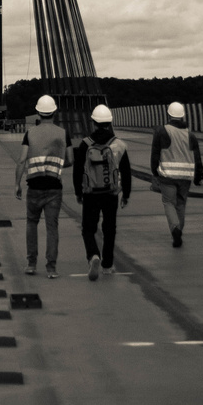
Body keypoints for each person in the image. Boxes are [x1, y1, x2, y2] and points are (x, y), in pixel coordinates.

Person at [14, 94, 71, 277]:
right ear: (54, 112)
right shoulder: (63, 133)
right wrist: (58, 164)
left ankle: (31, 264)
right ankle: (51, 268)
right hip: (54, 187)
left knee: (31, 223)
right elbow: (70, 159)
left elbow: (22, 160)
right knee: (52, 227)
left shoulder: (30, 133)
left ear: (38, 112)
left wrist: (17, 184)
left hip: (34, 187)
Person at [73, 104, 132, 279]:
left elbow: (78, 170)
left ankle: (93, 255)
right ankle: (107, 264)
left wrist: (78, 192)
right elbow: (126, 172)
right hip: (111, 193)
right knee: (109, 228)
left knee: (88, 228)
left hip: (91, 193)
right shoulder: (119, 145)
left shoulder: (85, 144)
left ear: (93, 122)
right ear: (109, 122)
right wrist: (126, 194)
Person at [150, 102, 203, 247]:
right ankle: (179, 230)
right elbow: (197, 157)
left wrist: (154, 172)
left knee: (168, 202)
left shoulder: (161, 131)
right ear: (182, 116)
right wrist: (199, 175)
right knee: (181, 204)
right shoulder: (190, 134)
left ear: (168, 115)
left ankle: (175, 228)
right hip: (186, 176)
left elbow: (155, 153)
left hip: (167, 175)